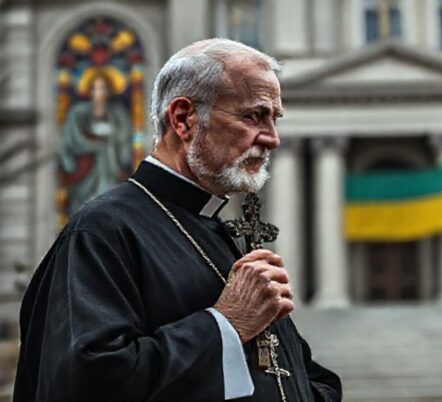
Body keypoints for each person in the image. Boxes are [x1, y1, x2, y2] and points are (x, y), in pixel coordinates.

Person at [15, 39, 342, 402]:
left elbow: (301, 376)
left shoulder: (218, 234)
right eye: (254, 116)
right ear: (184, 119)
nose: (273, 139)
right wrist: (226, 325)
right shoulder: (102, 231)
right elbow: (86, 381)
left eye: (274, 119)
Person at [59, 72, 133, 216]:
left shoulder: (118, 114)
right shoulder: (78, 113)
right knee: (83, 209)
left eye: (103, 88)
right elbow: (72, 139)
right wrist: (96, 144)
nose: (99, 92)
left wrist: (119, 157)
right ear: (89, 90)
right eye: (95, 88)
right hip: (85, 171)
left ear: (109, 91)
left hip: (110, 169)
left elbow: (123, 141)